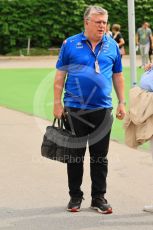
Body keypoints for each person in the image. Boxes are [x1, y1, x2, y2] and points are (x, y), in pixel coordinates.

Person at [53, 5, 126, 214]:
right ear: (87, 22)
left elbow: (118, 75)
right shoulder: (70, 44)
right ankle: (75, 197)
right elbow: (60, 76)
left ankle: (98, 198)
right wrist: (57, 103)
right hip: (74, 109)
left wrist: (122, 102)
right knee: (75, 155)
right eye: (98, 22)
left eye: (104, 22)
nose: (103, 26)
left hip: (102, 109)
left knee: (100, 157)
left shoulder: (112, 45)